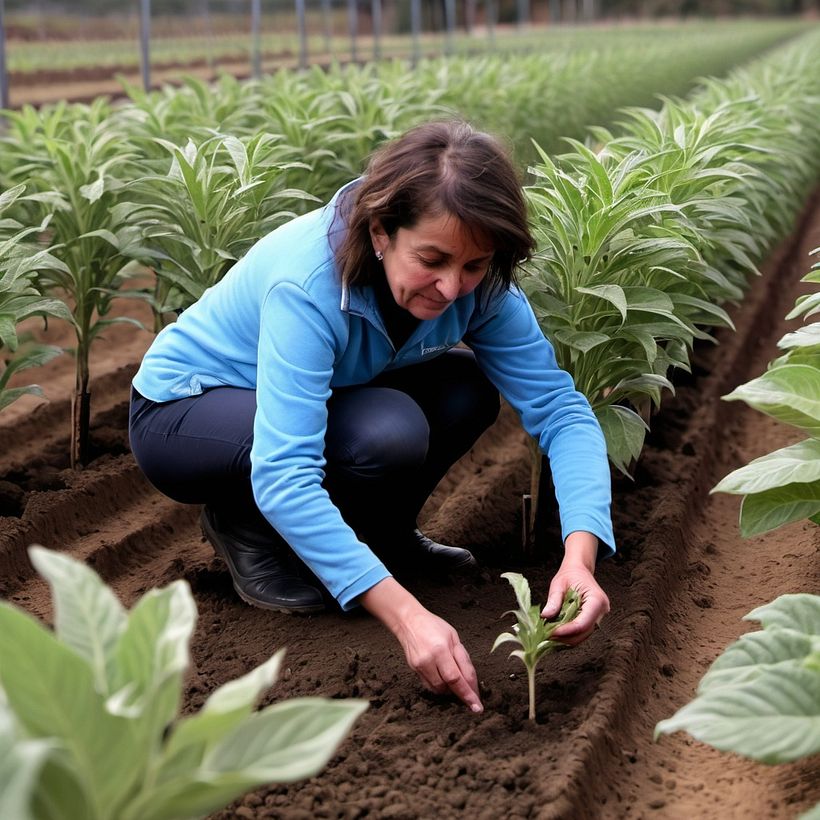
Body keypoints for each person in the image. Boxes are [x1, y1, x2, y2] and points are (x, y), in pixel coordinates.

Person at [129, 120, 614, 714]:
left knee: (465, 389)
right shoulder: (308, 282)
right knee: (385, 432)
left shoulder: (478, 289)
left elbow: (561, 410)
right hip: (185, 412)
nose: (451, 287)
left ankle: (383, 540)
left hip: (312, 397)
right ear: (381, 231)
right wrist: (408, 618)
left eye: (474, 265)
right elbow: (285, 472)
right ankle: (244, 527)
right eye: (432, 260)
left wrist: (579, 557)